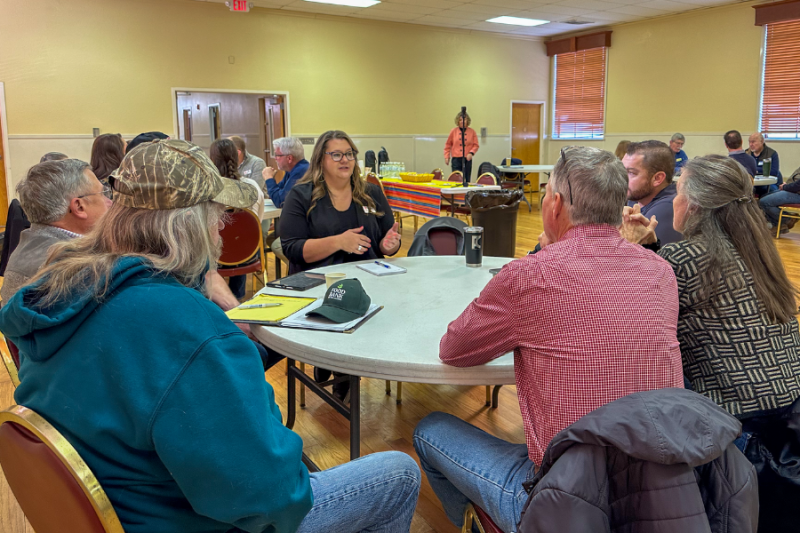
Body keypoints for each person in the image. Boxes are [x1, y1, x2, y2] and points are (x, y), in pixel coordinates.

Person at [0, 139, 420, 533]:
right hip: (185, 518)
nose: (220, 232)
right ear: (191, 224)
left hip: (128, 502)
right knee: (399, 473)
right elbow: (273, 498)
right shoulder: (184, 329)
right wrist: (249, 391)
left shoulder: (64, 289)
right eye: (217, 217)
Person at [413, 146, 684, 533]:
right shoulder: (661, 272)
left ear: (554, 204)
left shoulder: (530, 276)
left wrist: (542, 256)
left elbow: (454, 349)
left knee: (430, 430)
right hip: (656, 497)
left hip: (565, 505)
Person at [659, 156, 800, 425]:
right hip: (789, 403)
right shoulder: (760, 250)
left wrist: (636, 251)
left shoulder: (683, 256)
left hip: (734, 418)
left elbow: (638, 313)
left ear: (693, 204)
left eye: (678, 193)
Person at [281, 130, 401, 401]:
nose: (344, 160)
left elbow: (384, 241)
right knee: (338, 310)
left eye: (349, 154)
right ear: (320, 159)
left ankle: (343, 369)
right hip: (318, 285)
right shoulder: (302, 195)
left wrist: (388, 245)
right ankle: (333, 363)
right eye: (336, 154)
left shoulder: (370, 193)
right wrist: (338, 242)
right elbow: (293, 248)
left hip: (366, 282)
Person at [1, 159, 111, 305]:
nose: (110, 202)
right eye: (103, 193)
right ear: (79, 206)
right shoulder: (74, 266)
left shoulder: (30, 244)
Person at [209, 138, 265, 300]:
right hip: (247, 255)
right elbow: (255, 222)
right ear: (237, 157)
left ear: (211, 160)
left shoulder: (207, 189)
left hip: (215, 260)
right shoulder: (252, 187)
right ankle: (237, 297)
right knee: (238, 240)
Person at [623, 140, 683, 244]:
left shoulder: (668, 207)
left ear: (657, 178)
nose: (622, 178)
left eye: (631, 173)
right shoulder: (637, 196)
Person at [262, 136, 309, 266]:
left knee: (277, 244)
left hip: (307, 227)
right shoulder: (292, 170)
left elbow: (280, 201)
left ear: (289, 158)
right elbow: (280, 193)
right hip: (299, 224)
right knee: (272, 239)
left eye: (277, 155)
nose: (275, 158)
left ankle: (303, 269)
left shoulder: (302, 171)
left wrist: (269, 179)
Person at [760, 165, 800, 233]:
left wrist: (785, 187)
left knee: (764, 202)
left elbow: (798, 185)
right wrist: (786, 185)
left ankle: (786, 220)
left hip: (797, 193)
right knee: (764, 197)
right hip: (793, 190)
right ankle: (781, 225)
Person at [444, 111, 479, 182]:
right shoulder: (453, 131)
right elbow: (448, 145)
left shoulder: (472, 132)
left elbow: (476, 145)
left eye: (464, 119)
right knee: (456, 178)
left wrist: (471, 153)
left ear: (467, 121)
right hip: (456, 159)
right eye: (460, 120)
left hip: (467, 159)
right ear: (458, 121)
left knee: (466, 179)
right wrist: (447, 156)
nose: (462, 121)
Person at [747, 132, 782, 197]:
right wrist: (761, 170)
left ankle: (763, 206)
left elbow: (774, 172)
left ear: (762, 141)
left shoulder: (772, 153)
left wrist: (755, 170)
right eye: (749, 142)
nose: (751, 144)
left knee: (768, 190)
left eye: (753, 142)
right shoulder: (746, 153)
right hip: (751, 183)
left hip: (768, 183)